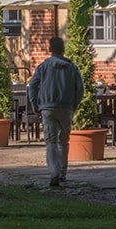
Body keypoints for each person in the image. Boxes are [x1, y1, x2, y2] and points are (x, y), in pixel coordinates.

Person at [28, 36, 84, 188]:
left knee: (51, 141)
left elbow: (32, 85)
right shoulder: (72, 67)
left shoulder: (43, 66)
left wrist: (34, 104)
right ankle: (63, 172)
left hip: (47, 107)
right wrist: (74, 105)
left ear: (50, 49)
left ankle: (54, 172)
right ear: (63, 48)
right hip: (66, 107)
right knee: (63, 141)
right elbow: (80, 88)